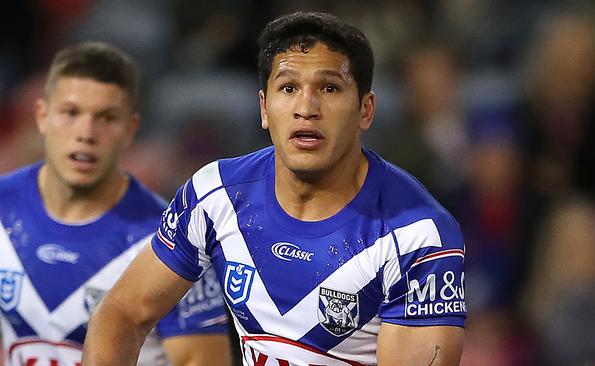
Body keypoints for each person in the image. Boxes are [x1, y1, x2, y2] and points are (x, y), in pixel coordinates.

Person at [83, 12, 466, 365]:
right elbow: (122, 312)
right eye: (288, 88)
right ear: (264, 109)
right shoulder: (216, 195)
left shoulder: (418, 236)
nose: (306, 107)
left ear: (365, 110)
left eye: (330, 88)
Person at [0, 42, 231, 366]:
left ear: (130, 130)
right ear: (42, 116)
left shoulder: (172, 238)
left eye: (106, 117)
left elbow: (203, 361)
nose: (86, 132)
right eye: (71, 113)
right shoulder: (4, 208)